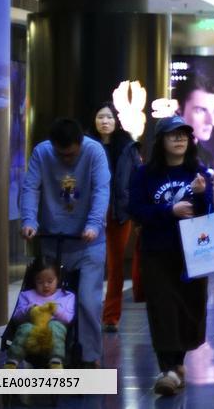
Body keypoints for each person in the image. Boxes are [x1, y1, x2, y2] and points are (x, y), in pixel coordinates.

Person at [128, 116, 213, 396]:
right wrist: (169, 212)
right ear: (161, 141)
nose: (179, 139)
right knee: (162, 310)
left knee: (189, 310)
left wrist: (202, 195)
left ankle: (177, 364)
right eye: (172, 135)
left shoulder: (199, 172)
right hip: (157, 251)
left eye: (183, 135)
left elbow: (207, 215)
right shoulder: (145, 174)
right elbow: (136, 209)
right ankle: (167, 370)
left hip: (193, 254)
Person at [20, 118, 110, 367]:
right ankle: (45, 350)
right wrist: (29, 222)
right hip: (53, 240)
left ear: (81, 143)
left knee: (87, 302)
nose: (66, 160)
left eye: (71, 155)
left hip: (88, 243)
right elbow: (30, 188)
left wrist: (93, 225)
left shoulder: (94, 152)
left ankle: (91, 357)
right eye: (61, 155)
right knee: (47, 301)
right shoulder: (42, 152)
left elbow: (101, 190)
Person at [88, 102, 142, 333]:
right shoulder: (87, 145)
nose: (105, 121)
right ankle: (87, 312)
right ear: (95, 121)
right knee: (91, 263)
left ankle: (111, 316)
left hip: (119, 212)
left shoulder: (128, 146)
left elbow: (137, 176)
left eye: (108, 117)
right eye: (100, 117)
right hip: (92, 213)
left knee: (115, 264)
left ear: (116, 120)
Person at [4, 256, 76, 370]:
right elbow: (16, 317)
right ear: (34, 281)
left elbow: (68, 318)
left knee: (56, 326)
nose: (45, 285)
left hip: (52, 337)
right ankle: (13, 361)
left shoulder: (66, 296)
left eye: (50, 281)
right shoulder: (27, 295)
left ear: (58, 279)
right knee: (25, 328)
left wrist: (54, 310)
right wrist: (30, 310)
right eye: (40, 282)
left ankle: (56, 360)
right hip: (32, 335)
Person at [175, 73, 214, 205]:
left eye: (213, 111)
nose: (212, 121)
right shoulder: (167, 154)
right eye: (201, 110)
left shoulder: (205, 156)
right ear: (179, 110)